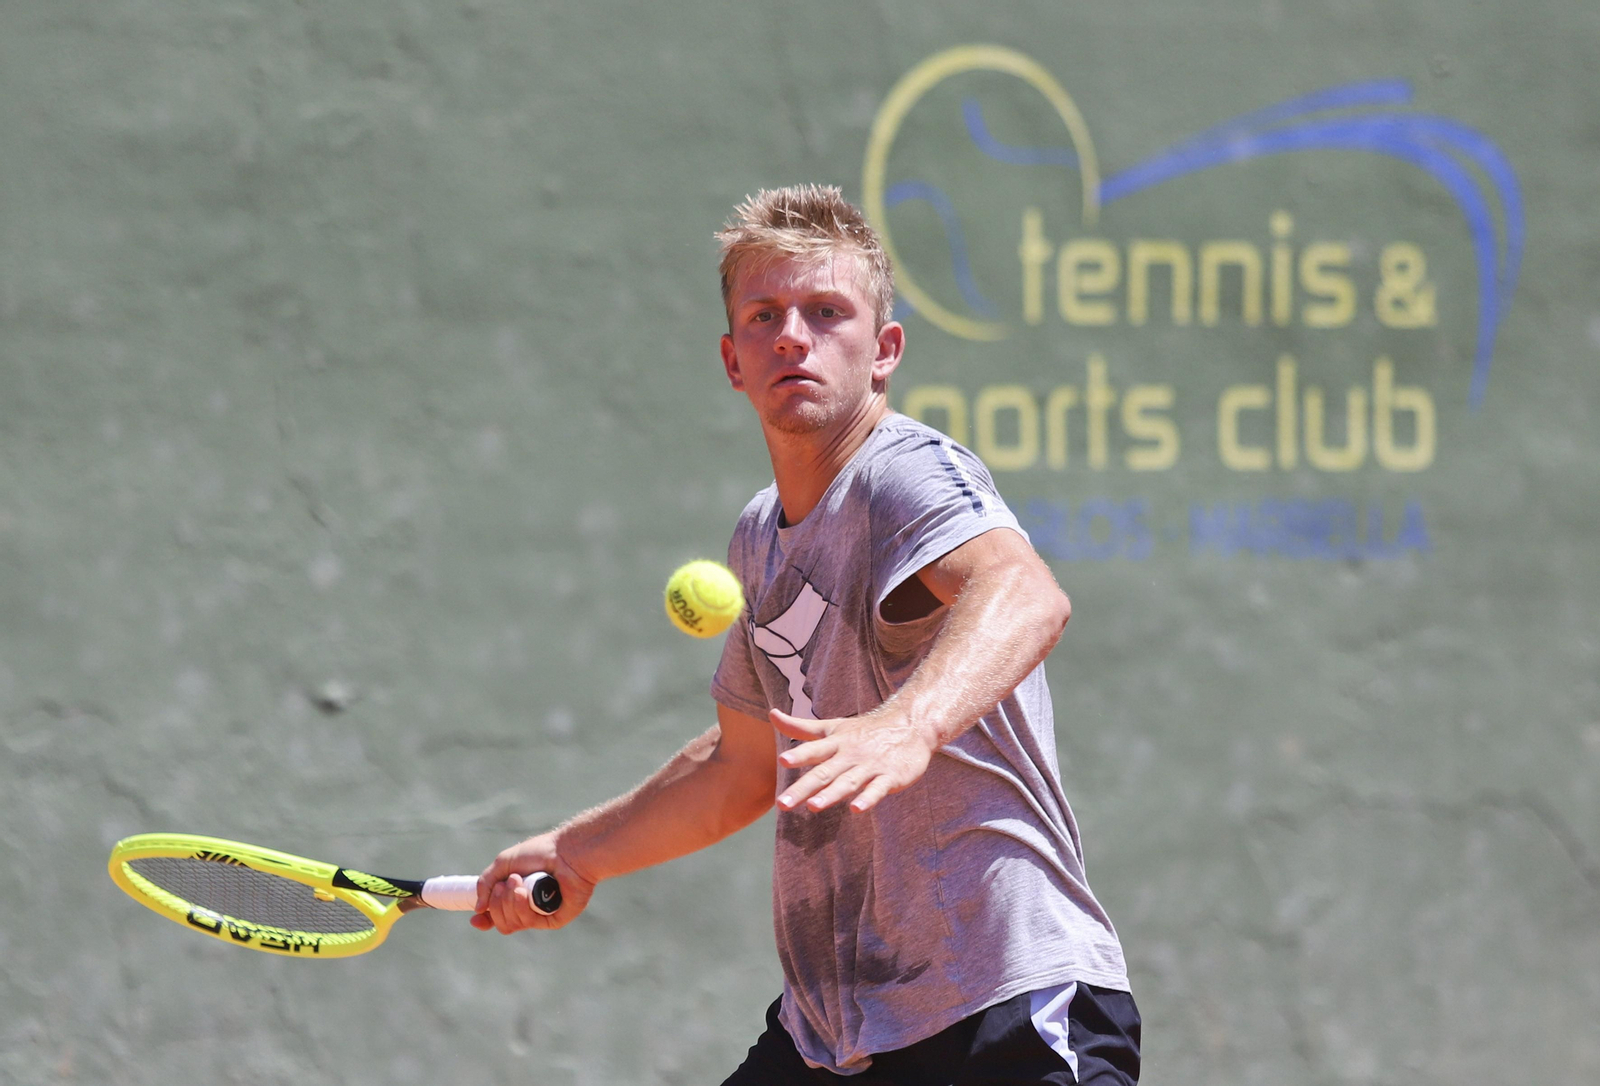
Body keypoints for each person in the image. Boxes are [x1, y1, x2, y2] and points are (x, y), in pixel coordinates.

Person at [474, 184, 1139, 1084]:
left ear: (884, 352)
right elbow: (743, 766)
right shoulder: (762, 534)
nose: (793, 335)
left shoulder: (905, 473)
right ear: (732, 360)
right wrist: (578, 852)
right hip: (839, 1033)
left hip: (1001, 1004)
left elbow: (1024, 592)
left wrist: (908, 725)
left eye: (827, 312)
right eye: (764, 315)